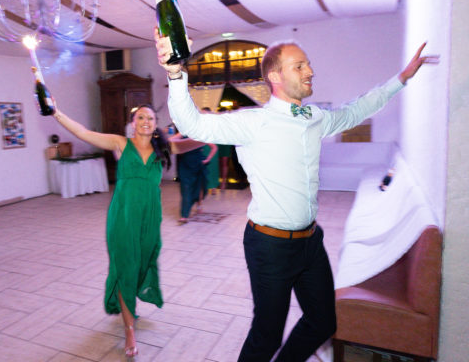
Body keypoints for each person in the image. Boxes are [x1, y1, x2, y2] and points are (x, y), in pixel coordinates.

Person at [155, 29, 438, 361]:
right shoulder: (252, 123)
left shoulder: (314, 117)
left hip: (310, 242)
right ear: (276, 76)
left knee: (322, 322)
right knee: (267, 335)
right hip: (270, 245)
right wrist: (175, 73)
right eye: (299, 66)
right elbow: (193, 124)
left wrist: (401, 78)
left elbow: (356, 110)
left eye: (308, 65)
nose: (310, 71)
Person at [52, 103, 171, 358]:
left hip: (150, 219)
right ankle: (129, 329)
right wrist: (56, 112)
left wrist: (216, 132)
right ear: (134, 122)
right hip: (124, 217)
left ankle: (129, 303)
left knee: (142, 265)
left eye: (150, 118)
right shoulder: (120, 143)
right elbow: (83, 133)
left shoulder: (162, 148)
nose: (145, 122)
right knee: (126, 266)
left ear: (155, 122)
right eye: (141, 117)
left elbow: (195, 140)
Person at [168, 132, 217, 223]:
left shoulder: (201, 134)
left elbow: (214, 147)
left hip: (198, 163)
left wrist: (207, 159)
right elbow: (170, 140)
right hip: (185, 165)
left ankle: (199, 204)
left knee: (199, 186)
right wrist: (185, 142)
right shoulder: (184, 132)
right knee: (185, 188)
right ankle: (184, 215)